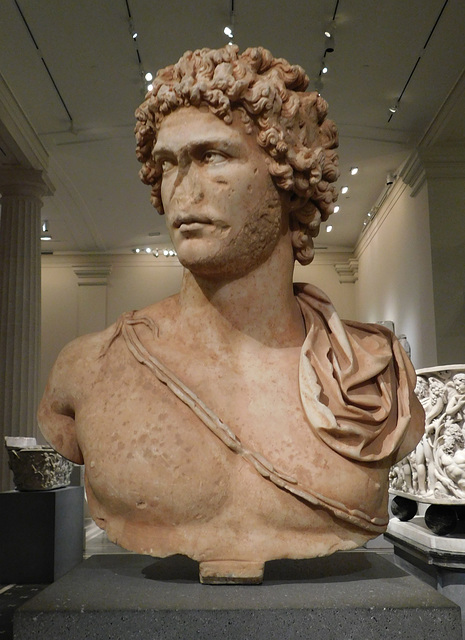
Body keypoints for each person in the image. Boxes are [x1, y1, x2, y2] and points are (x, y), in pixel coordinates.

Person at [38, 46, 424, 583]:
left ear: (289, 176)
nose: (182, 191)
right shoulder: (89, 370)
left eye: (213, 157)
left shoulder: (373, 374)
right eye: (168, 164)